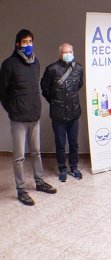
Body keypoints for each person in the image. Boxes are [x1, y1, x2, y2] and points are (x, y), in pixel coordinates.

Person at [0, 29, 57, 206]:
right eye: (24, 42)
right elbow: (2, 92)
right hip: (18, 118)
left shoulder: (36, 63)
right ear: (18, 44)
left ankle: (39, 182)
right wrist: (12, 110)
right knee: (19, 157)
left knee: (36, 152)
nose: (28, 45)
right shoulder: (9, 64)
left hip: (34, 115)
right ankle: (21, 190)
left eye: (30, 41)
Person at [41, 43, 83, 182]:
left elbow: (79, 85)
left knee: (73, 143)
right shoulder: (52, 69)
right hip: (58, 114)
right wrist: (55, 102)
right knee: (60, 143)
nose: (68, 54)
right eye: (65, 52)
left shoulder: (78, 68)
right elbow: (45, 88)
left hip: (74, 112)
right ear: (60, 53)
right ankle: (62, 170)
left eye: (70, 51)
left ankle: (74, 167)